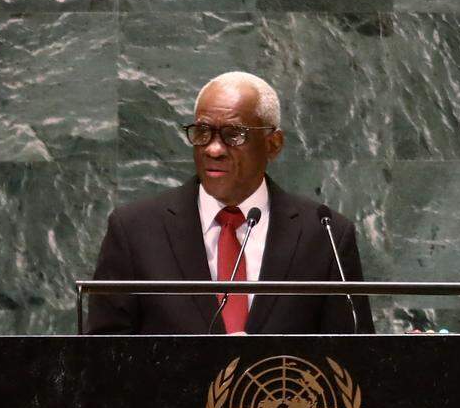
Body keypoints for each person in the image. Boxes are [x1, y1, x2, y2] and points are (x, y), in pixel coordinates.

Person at [84, 71, 375, 335]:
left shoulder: (325, 236)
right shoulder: (135, 231)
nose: (213, 149)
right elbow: (104, 355)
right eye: (202, 132)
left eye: (233, 135)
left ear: (273, 144)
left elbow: (354, 359)